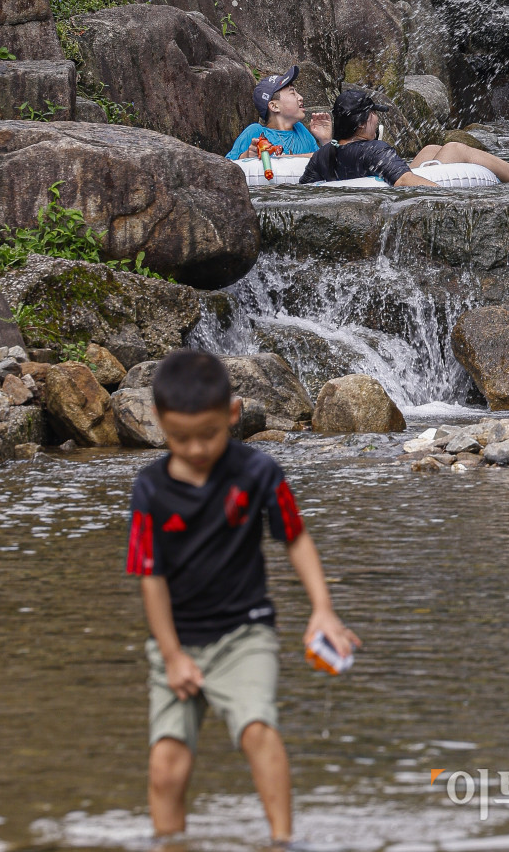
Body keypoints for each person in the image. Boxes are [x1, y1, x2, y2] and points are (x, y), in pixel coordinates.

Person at [127, 350, 359, 843]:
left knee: (258, 730)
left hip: (244, 633)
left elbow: (294, 537)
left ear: (233, 415)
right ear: (156, 421)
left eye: (208, 434)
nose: (194, 448)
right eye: (179, 436)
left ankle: (282, 840)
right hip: (177, 642)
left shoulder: (258, 473)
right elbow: (150, 577)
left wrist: (322, 609)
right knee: (167, 764)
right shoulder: (149, 489)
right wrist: (171, 656)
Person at [300, 86, 509, 186]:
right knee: (456, 147)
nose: (377, 120)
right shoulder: (374, 150)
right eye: (374, 115)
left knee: (428, 150)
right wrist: (459, 200)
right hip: (386, 188)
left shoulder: (322, 154)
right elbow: (405, 182)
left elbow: (305, 188)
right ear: (363, 123)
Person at [227, 66, 331, 161]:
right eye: (292, 93)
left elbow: (325, 163)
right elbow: (228, 166)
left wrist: (325, 141)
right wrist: (245, 156)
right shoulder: (255, 131)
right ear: (274, 106)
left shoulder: (301, 130)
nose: (300, 97)